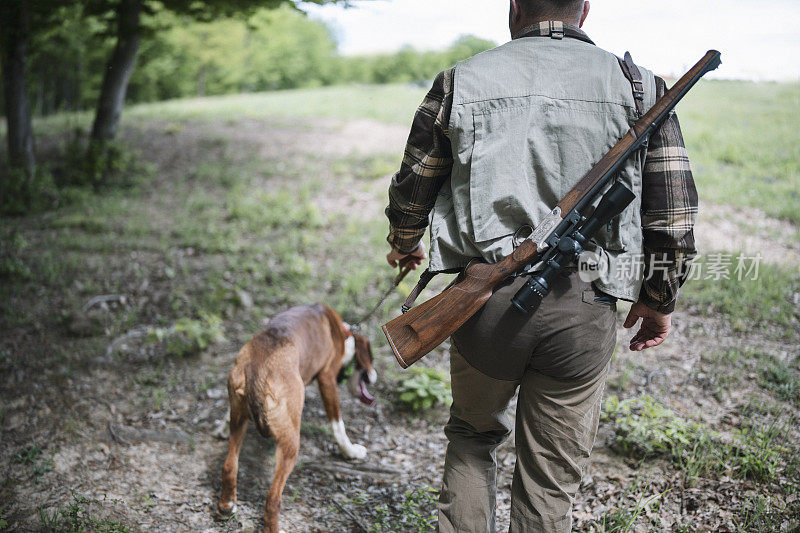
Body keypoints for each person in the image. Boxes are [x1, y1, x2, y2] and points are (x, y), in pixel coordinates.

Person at [384, 0, 698, 531]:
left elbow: (415, 182)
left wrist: (406, 240)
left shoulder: (461, 80)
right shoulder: (642, 88)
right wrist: (658, 298)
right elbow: (671, 215)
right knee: (550, 479)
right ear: (586, 9)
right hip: (587, 307)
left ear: (513, 7)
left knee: (471, 437)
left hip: (483, 307)